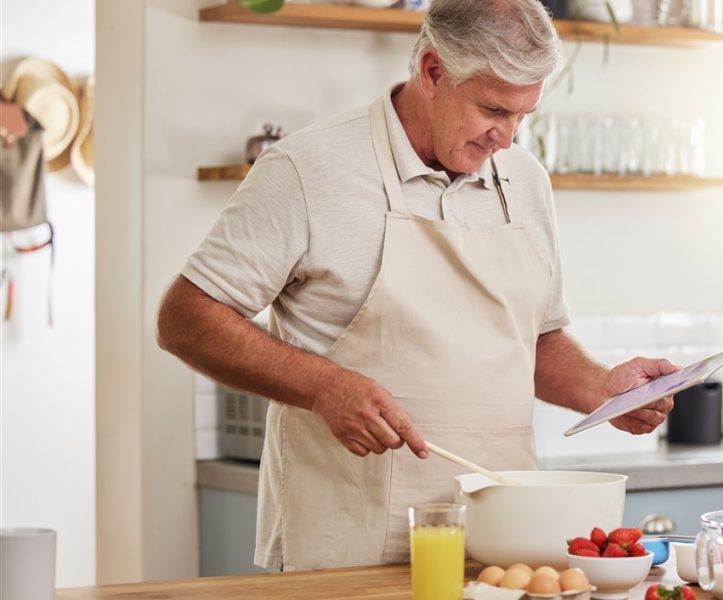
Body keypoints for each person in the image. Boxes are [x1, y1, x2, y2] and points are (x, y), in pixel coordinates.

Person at [157, 0, 678, 571]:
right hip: (348, 551)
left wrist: (604, 388)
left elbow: (532, 340)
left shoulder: (524, 180)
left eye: (523, 115)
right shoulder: (308, 170)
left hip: (499, 552)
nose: (506, 138)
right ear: (433, 72)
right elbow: (185, 317)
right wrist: (323, 387)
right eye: (492, 109)